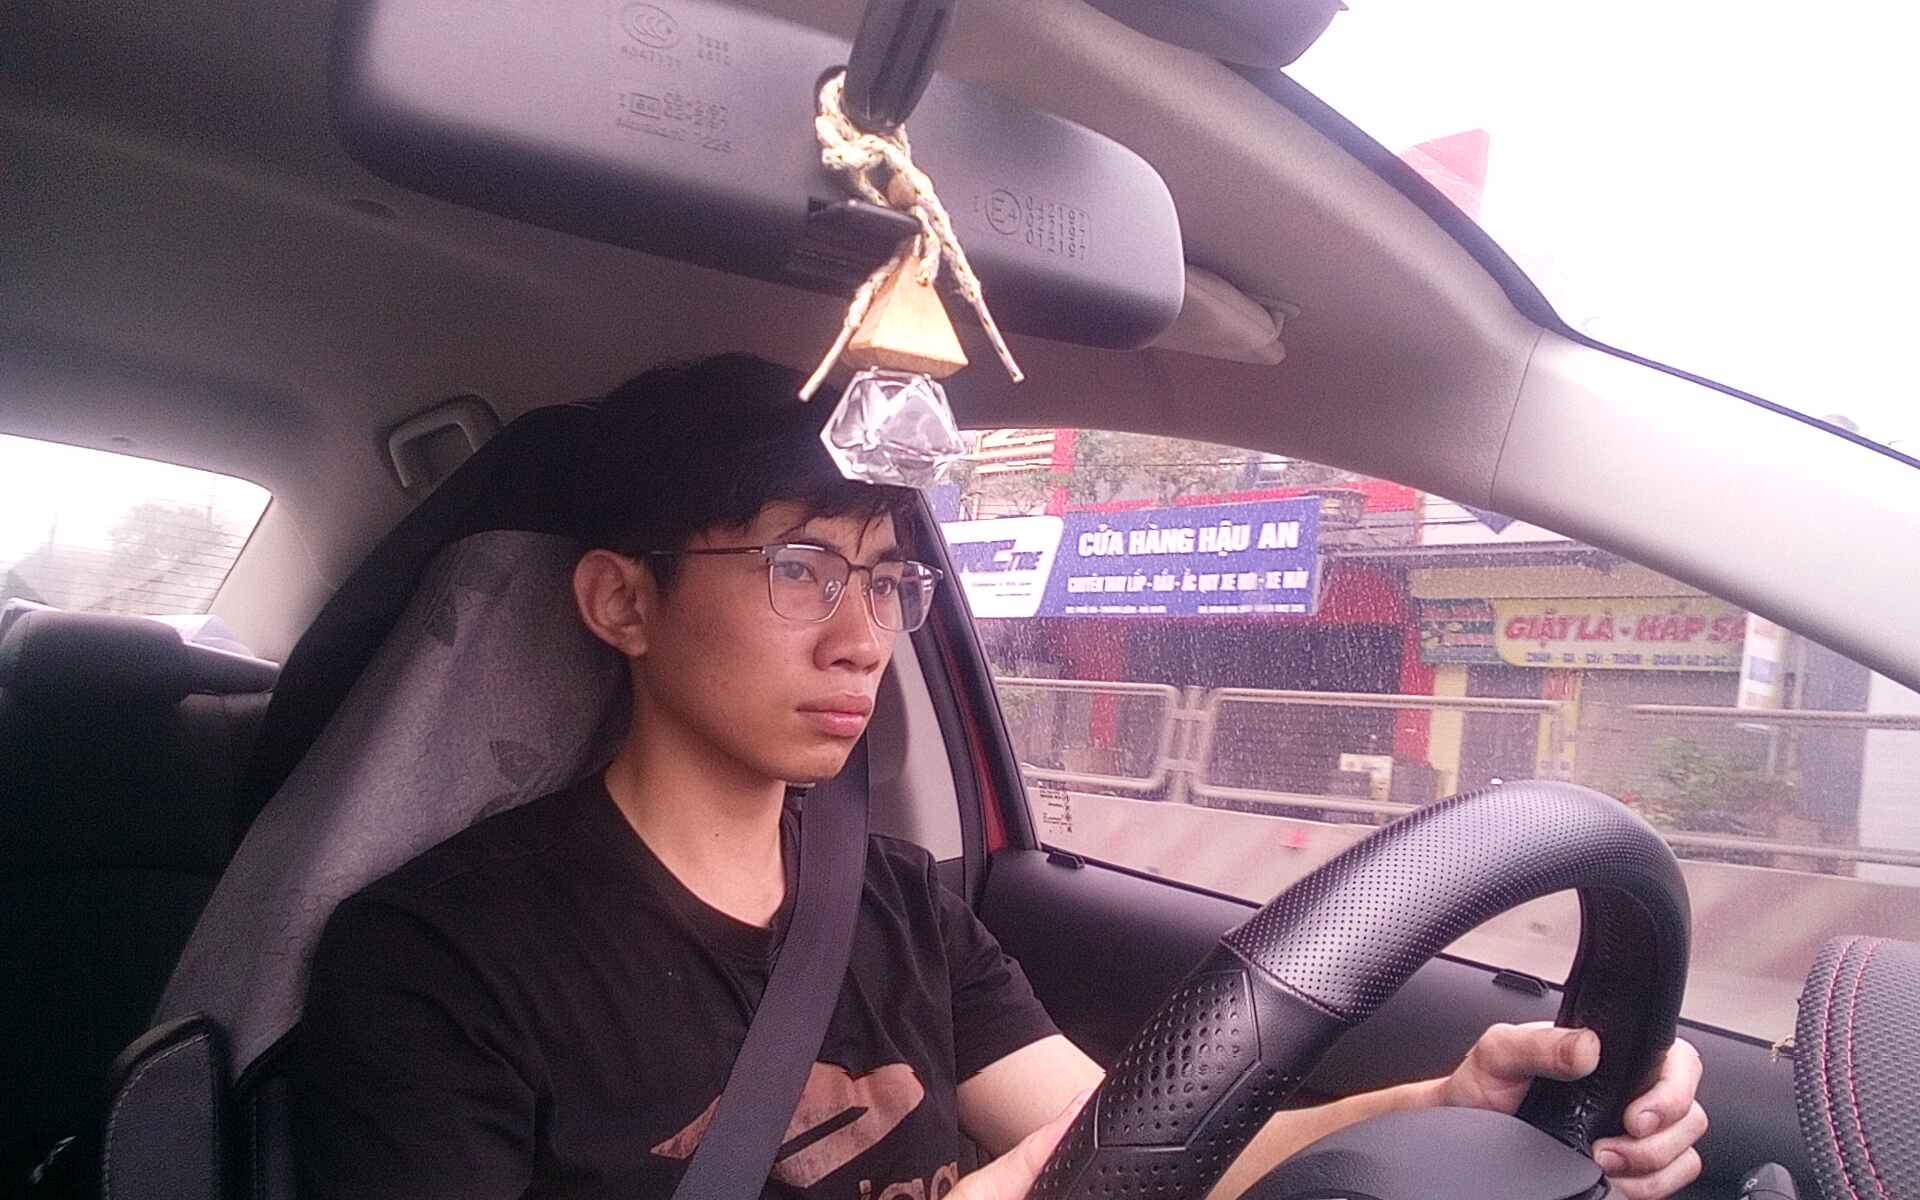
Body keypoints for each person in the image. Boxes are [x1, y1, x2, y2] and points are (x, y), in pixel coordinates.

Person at [293, 354, 1707, 1200]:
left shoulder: (899, 905)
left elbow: (1141, 1143)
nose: (864, 638)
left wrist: (1438, 1108)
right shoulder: (436, 961)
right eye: (799, 569)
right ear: (622, 603)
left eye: (884, 580)